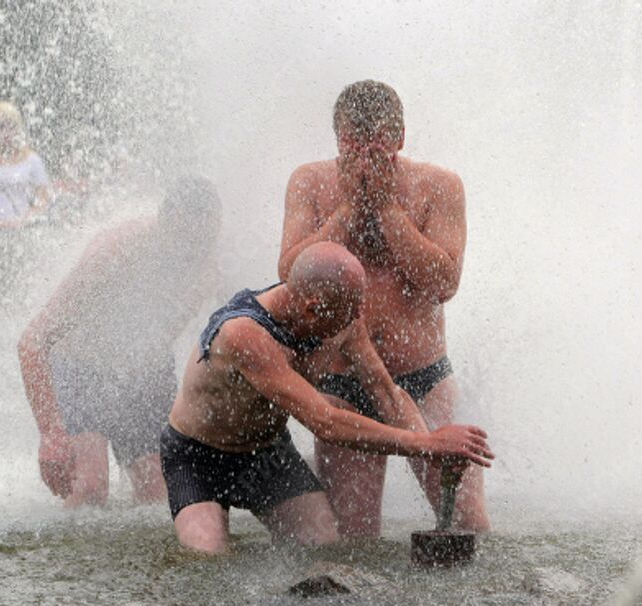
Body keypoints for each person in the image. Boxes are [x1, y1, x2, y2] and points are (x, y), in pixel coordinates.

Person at [162, 242, 493, 554]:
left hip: (266, 454)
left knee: (323, 546)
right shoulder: (244, 334)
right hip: (198, 458)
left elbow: (386, 393)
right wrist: (424, 444)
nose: (355, 320)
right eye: (348, 315)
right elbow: (326, 422)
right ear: (311, 309)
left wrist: (429, 445)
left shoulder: (343, 315)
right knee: (207, 559)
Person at [278, 80, 489, 534]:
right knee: (356, 537)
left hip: (423, 378)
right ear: (337, 140)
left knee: (469, 524)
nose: (367, 157)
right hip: (343, 381)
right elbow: (292, 275)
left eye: (380, 144)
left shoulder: (439, 186)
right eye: (354, 145)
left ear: (401, 138)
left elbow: (444, 283)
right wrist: (351, 208)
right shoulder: (311, 182)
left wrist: (389, 209)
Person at [18, 176, 221, 506]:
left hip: (145, 376)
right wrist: (50, 435)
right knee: (90, 486)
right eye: (186, 243)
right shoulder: (114, 253)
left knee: (161, 497)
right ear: (164, 225)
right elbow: (32, 342)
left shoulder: (208, 265)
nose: (193, 256)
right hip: (81, 367)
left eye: (203, 244)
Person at [0, 101, 52, 228]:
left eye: (11, 126)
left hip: (22, 230)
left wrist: (24, 221)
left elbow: (43, 198)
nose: (6, 132)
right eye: (1, 126)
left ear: (18, 128)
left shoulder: (32, 160)